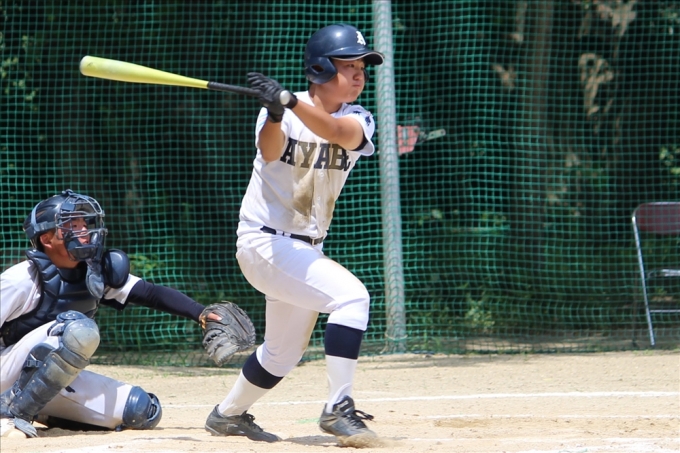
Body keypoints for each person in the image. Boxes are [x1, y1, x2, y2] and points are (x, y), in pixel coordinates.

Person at [204, 24, 384, 448]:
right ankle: (338, 407)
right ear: (320, 68)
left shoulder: (359, 118)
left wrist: (288, 102)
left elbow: (337, 133)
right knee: (352, 298)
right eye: (348, 64)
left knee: (282, 353)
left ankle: (227, 415)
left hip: (304, 249)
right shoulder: (283, 112)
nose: (359, 73)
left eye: (362, 66)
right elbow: (269, 150)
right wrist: (274, 112)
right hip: (264, 242)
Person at [0, 189, 222, 438]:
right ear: (47, 239)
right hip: (4, 371)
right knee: (77, 330)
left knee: (142, 410)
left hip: (44, 381)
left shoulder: (93, 274)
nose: (84, 230)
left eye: (84, 223)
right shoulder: (20, 280)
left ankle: (36, 408)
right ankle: (10, 415)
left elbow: (150, 293)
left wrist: (201, 313)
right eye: (72, 225)